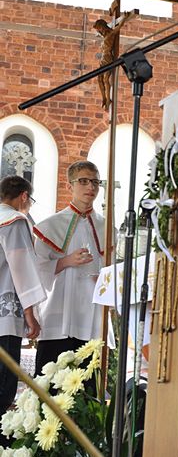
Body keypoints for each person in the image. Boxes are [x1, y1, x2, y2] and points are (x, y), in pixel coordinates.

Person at [33, 161, 107, 375]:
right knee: (52, 384)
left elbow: (111, 268)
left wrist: (104, 279)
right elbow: (35, 269)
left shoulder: (106, 226)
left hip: (92, 316)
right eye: (83, 181)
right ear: (70, 186)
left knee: (87, 389)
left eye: (95, 182)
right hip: (60, 312)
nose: (90, 187)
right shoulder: (51, 225)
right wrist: (66, 261)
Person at [0, 176, 45, 446]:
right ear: (24, 197)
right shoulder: (14, 221)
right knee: (4, 386)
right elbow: (21, 267)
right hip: (5, 319)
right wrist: (31, 314)